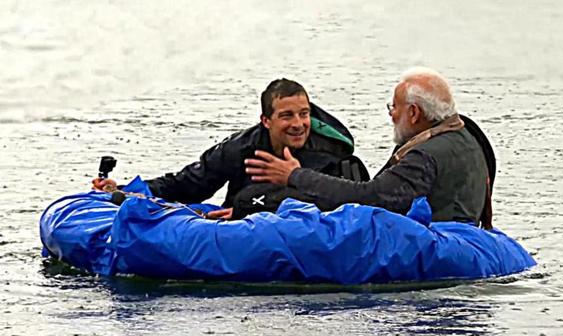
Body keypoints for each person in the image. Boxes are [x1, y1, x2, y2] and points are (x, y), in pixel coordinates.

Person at [244, 67, 496, 228]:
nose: (391, 114)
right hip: (467, 233)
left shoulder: (423, 157)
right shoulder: (468, 132)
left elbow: (370, 198)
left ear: (414, 113)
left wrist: (295, 175)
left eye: (394, 107)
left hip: (435, 247)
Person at [93, 78, 368, 219]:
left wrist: (251, 209)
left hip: (287, 230)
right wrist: (127, 190)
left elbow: (339, 205)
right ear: (266, 121)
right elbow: (189, 183)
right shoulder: (241, 147)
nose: (298, 125)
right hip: (233, 230)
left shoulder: (330, 155)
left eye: (304, 114)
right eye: (287, 116)